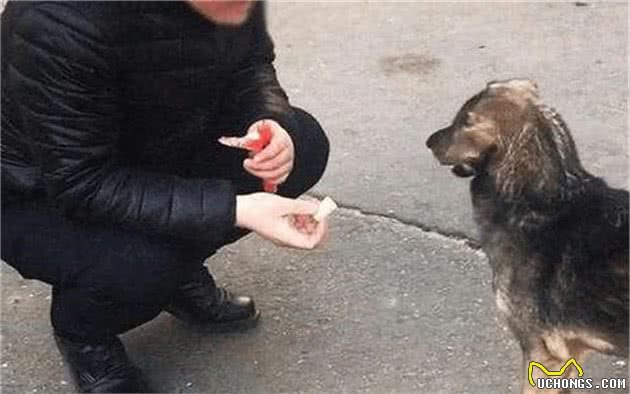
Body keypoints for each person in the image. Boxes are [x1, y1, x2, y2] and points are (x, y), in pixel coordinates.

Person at [0, 1, 330, 392]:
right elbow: (82, 183)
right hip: (35, 191)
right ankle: (83, 331)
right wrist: (236, 209)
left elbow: (251, 62)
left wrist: (268, 120)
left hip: (147, 148)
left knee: (304, 144)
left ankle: (177, 273)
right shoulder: (53, 21)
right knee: (145, 263)